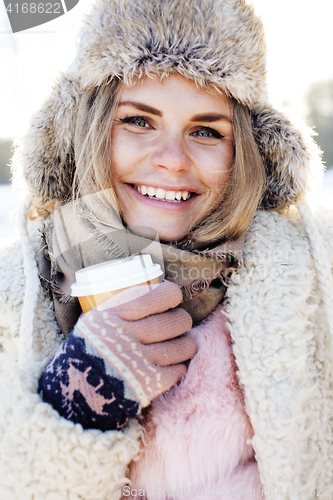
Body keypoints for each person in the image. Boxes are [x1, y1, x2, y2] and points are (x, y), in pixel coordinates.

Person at [0, 0, 333, 498]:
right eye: (138, 121)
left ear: (242, 146)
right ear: (88, 128)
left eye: (205, 131)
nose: (174, 160)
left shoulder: (308, 275)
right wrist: (76, 401)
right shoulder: (18, 295)